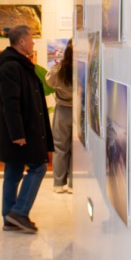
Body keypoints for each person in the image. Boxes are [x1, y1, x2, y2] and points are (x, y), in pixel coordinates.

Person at [0, 25, 54, 233]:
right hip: (21, 134)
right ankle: (18, 212)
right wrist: (18, 134)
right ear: (21, 42)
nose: (33, 43)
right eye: (31, 39)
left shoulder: (17, 65)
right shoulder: (12, 67)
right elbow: (10, 104)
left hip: (21, 132)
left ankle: (10, 218)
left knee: (13, 171)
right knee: (39, 167)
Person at [45, 41, 73, 194]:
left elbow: (49, 82)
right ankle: (73, 184)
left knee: (60, 148)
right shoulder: (82, 67)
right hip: (79, 112)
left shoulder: (59, 69)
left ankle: (58, 183)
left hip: (62, 111)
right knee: (77, 148)